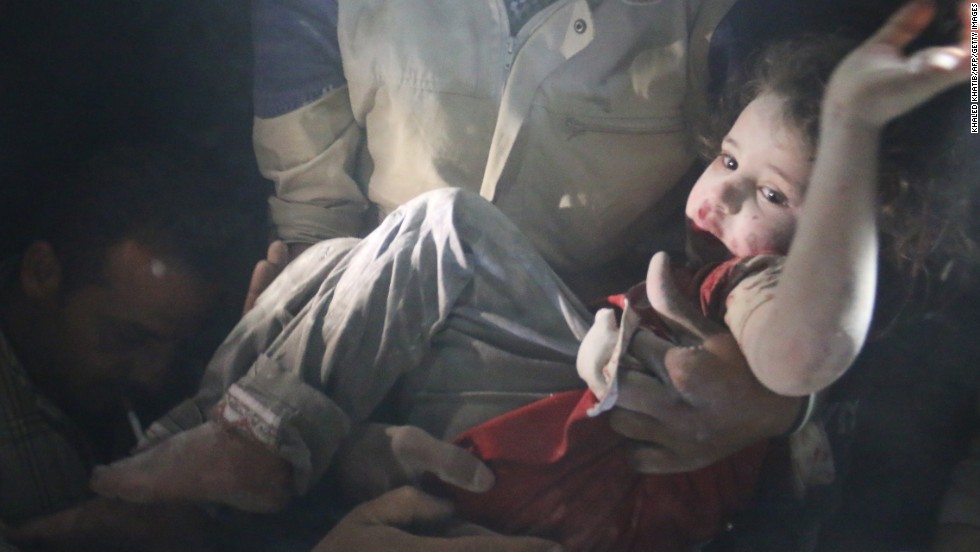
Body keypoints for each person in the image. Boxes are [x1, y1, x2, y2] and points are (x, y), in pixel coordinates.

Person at [91, 2, 972, 550]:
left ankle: (237, 453)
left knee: (446, 222)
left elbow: (824, 329)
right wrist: (336, 426)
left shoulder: (749, 260)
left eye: (767, 190)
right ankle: (194, 463)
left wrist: (778, 406)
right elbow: (316, 215)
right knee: (329, 259)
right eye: (726, 160)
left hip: (574, 419)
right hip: (400, 380)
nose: (727, 186)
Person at [0, 146, 264, 551]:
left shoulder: (176, 378)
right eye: (128, 339)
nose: (152, 376)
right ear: (43, 272)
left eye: (177, 344)